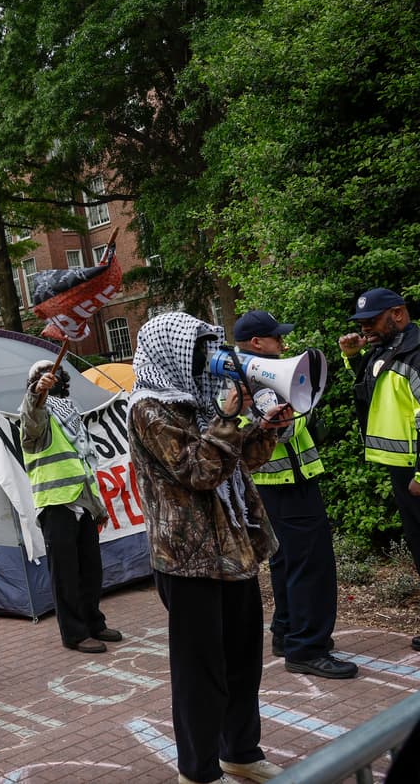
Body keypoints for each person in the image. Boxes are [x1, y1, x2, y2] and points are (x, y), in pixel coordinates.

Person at [127, 312, 290, 784]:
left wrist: (267, 427)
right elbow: (198, 472)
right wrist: (227, 418)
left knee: (243, 664)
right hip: (188, 561)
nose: (208, 359)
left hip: (234, 551)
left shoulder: (200, 403)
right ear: (170, 353)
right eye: (198, 350)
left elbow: (243, 464)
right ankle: (198, 772)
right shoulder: (149, 409)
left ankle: (240, 751)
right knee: (201, 676)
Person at [234, 310, 356, 679]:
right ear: (257, 343)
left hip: (272, 488)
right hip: (289, 486)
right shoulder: (263, 380)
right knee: (311, 567)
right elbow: (279, 433)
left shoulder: (242, 377)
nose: (283, 343)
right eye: (276, 338)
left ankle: (287, 634)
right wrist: (301, 399)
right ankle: (307, 648)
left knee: (286, 563)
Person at [338, 288, 420, 652]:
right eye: (361, 324)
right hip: (402, 470)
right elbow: (369, 388)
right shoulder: (386, 351)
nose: (365, 329)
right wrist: (351, 357)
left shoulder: (416, 355)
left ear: (398, 315)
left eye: (371, 321)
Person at [20, 361, 122, 654]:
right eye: (45, 377)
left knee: (90, 569)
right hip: (57, 503)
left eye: (58, 374)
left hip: (83, 499)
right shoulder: (36, 419)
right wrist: (36, 393)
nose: (56, 378)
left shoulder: (71, 412)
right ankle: (75, 634)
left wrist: (97, 505)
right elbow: (32, 414)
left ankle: (94, 622)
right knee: (65, 573)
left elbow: (85, 460)